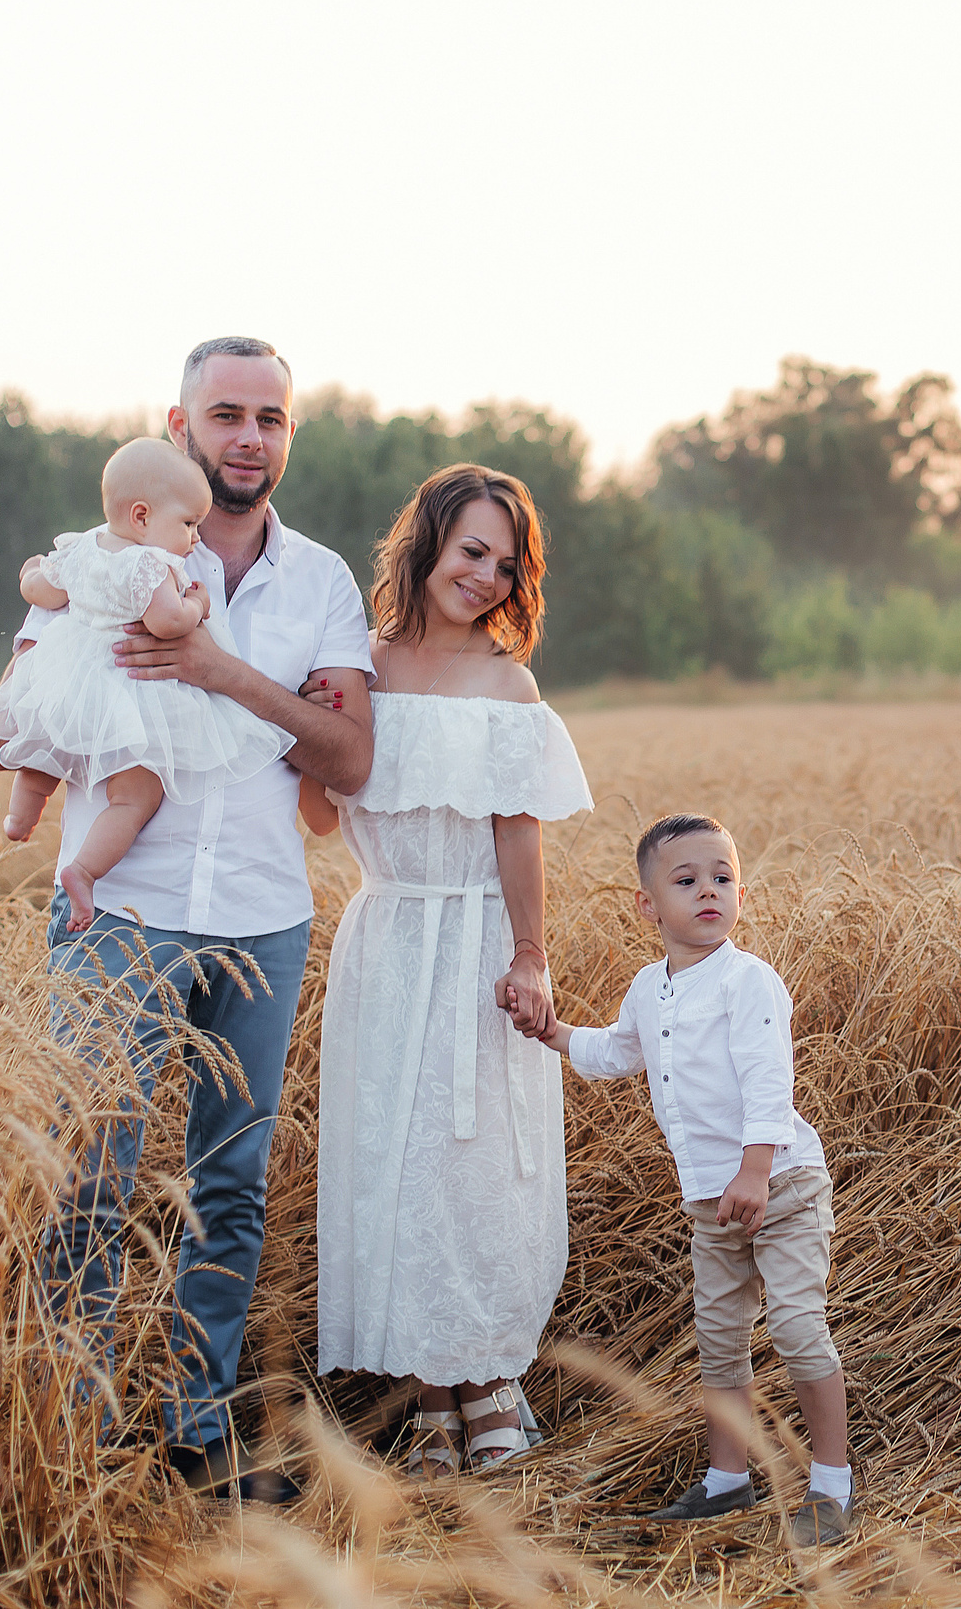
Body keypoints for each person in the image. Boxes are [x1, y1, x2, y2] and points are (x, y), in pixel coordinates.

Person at [14, 336, 375, 1503]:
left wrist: (218, 671)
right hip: (119, 905)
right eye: (226, 414)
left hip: (264, 919)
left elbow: (352, 756)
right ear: (177, 426)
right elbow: (7, 725)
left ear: (286, 436)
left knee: (230, 1185)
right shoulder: (105, 562)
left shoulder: (318, 581)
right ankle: (71, 1443)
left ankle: (197, 1434)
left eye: (270, 418)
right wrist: (56, 675)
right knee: (92, 1178)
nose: (248, 437)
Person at [298, 464, 593, 1474]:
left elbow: (518, 831)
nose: (485, 576)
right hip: (386, 941)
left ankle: (492, 1377)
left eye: (505, 565)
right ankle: (429, 1389)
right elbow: (316, 810)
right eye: (471, 550)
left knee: (484, 1164)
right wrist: (304, 726)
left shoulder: (508, 684)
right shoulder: (360, 669)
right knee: (396, 1158)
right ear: (424, 542)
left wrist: (529, 954)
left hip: (477, 945)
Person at [519, 813, 856, 1545]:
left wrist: (756, 1171)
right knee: (721, 1343)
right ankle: (727, 1479)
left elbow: (770, 1082)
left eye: (723, 878)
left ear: (741, 894)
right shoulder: (650, 988)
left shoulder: (748, 982)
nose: (709, 891)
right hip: (710, 1199)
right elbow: (616, 1052)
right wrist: (554, 1034)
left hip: (783, 1185)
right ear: (648, 906)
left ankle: (831, 1483)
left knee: (798, 1328)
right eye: (686, 880)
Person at [0, 438, 290, 930]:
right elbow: (168, 623)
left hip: (73, 676)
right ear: (142, 517)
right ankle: (83, 870)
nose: (194, 538)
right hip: (129, 686)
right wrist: (199, 605)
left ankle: (22, 815)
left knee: (50, 745)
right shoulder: (151, 564)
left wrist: (31, 571)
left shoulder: (82, 548)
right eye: (188, 524)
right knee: (136, 795)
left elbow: (41, 588)